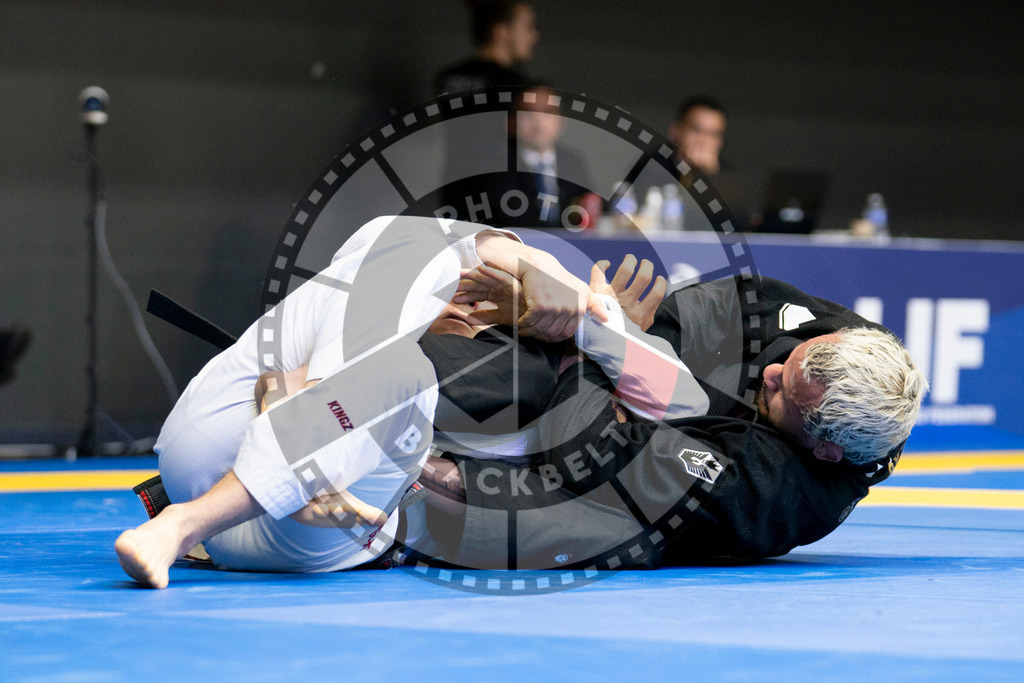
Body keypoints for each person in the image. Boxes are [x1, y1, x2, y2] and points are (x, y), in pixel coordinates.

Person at [116, 216, 701, 588]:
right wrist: (538, 267)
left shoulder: (527, 370)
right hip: (216, 445)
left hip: (328, 529)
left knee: (405, 376)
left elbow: (685, 402)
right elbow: (433, 246)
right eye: (464, 296)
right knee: (401, 297)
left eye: (481, 308)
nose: (467, 312)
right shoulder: (384, 260)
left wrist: (592, 324)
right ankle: (193, 518)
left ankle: (193, 522)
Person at [410, 268, 928, 569]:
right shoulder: (845, 340)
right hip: (651, 405)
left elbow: (573, 448)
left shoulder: (773, 490)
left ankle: (408, 500)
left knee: (607, 519)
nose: (769, 370)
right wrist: (635, 347)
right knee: (537, 351)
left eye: (782, 391)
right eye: (787, 360)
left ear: (824, 449)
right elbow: (711, 308)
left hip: (596, 483)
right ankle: (395, 380)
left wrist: (598, 346)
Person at [433, 0, 539, 96]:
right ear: (501, 31)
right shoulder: (514, 85)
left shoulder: (447, 78)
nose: (535, 37)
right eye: (528, 27)